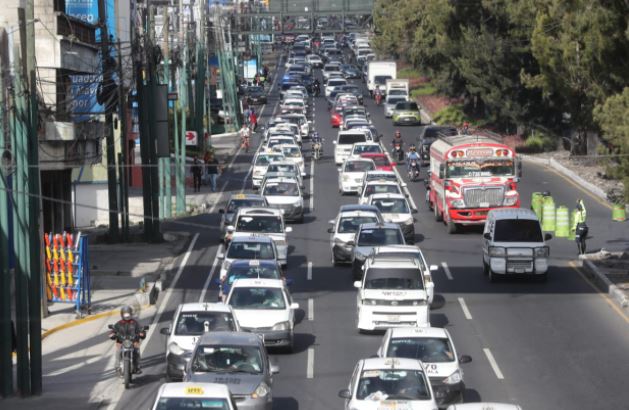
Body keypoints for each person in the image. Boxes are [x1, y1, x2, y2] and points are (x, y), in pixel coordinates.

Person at [109, 306, 146, 375]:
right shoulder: (119, 323)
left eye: (128, 314)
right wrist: (112, 334)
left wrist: (142, 333)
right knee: (118, 352)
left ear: (131, 314)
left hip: (133, 341)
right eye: (125, 314)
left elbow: (141, 329)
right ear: (122, 314)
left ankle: (137, 366)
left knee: (137, 351)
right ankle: (117, 367)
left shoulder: (135, 323)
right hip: (121, 341)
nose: (127, 316)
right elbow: (113, 330)